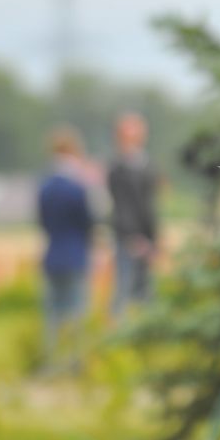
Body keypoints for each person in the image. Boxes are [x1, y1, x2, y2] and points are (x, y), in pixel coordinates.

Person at [36, 126, 94, 370]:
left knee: (52, 315)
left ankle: (51, 360)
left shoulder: (45, 187)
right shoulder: (77, 189)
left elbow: (43, 222)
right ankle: (75, 360)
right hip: (75, 255)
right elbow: (87, 222)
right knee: (77, 312)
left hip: (52, 255)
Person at [106, 111, 159, 317]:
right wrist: (133, 236)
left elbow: (149, 206)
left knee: (145, 291)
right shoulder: (118, 168)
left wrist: (152, 238)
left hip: (144, 236)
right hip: (129, 237)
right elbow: (123, 207)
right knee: (124, 289)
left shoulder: (145, 166)